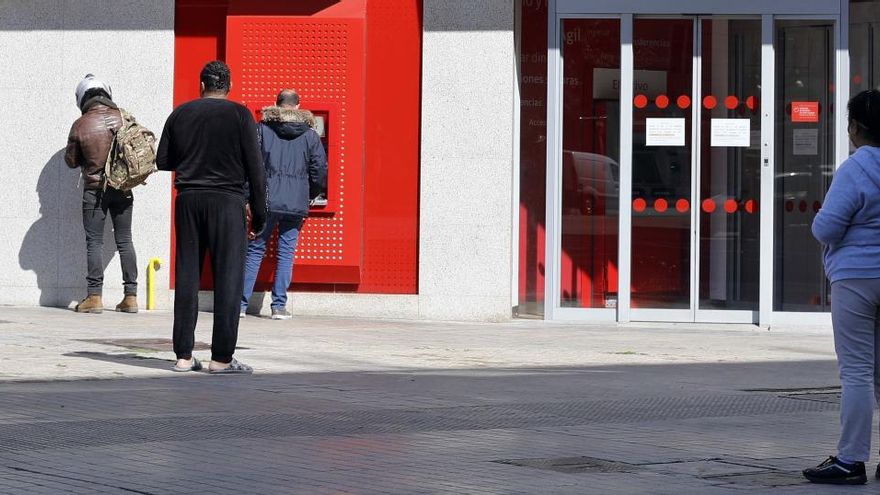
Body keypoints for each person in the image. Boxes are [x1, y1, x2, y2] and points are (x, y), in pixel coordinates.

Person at [156, 61, 266, 374]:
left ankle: (183, 356)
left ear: (202, 84)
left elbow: (163, 159)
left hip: (189, 199)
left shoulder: (181, 113)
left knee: (188, 276)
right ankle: (221, 359)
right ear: (228, 86)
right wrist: (259, 216)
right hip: (227, 202)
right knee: (229, 279)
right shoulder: (240, 115)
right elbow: (256, 169)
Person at [804, 89, 880, 485]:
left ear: (855, 127)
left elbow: (826, 227)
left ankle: (851, 460)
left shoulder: (856, 168)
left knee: (856, 372)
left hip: (856, 279)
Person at [240, 89, 327, 320]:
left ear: (276, 105)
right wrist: (312, 193)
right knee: (286, 252)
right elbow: (319, 169)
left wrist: (249, 197)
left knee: (255, 250)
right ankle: (278, 306)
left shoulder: (262, 130)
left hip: (265, 201)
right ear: (298, 107)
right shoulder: (310, 135)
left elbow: (250, 166)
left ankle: (240, 305)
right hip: (295, 201)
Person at [65, 74, 138, 314]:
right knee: (125, 240)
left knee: (94, 242)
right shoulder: (123, 118)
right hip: (123, 188)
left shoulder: (81, 124)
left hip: (95, 191)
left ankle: (94, 296)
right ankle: (131, 297)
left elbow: (71, 161)